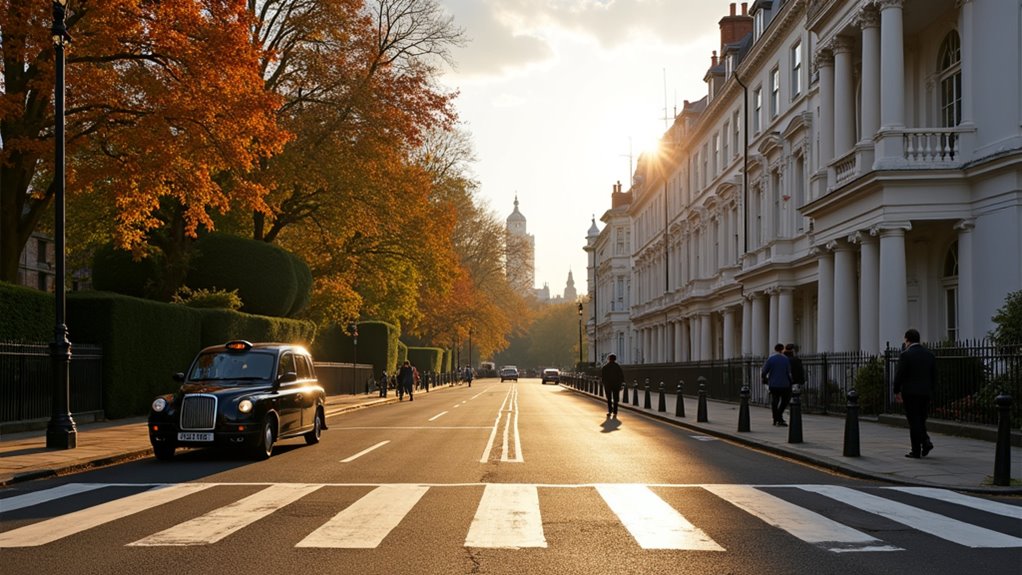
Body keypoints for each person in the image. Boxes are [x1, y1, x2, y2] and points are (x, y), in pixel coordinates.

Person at [893, 328, 936, 458]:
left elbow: (900, 375)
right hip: (925, 393)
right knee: (921, 419)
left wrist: (896, 391)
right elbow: (934, 376)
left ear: (907, 339)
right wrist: (931, 391)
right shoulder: (929, 355)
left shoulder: (906, 355)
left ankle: (917, 449)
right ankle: (925, 442)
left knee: (913, 421)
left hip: (910, 393)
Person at [761, 343, 792, 426]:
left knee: (775, 401)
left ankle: (775, 418)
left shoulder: (771, 359)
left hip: (773, 384)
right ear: (782, 349)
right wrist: (790, 382)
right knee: (785, 401)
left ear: (775, 349)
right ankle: (779, 415)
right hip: (784, 384)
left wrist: (764, 378)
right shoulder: (786, 359)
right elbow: (789, 372)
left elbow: (764, 371)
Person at [601, 354, 625, 418]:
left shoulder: (605, 367)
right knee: (616, 399)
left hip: (608, 385)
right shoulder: (617, 367)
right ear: (615, 359)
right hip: (616, 385)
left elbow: (603, 377)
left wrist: (604, 383)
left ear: (609, 359)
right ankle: (615, 411)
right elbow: (621, 376)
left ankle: (610, 410)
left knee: (609, 399)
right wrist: (621, 383)